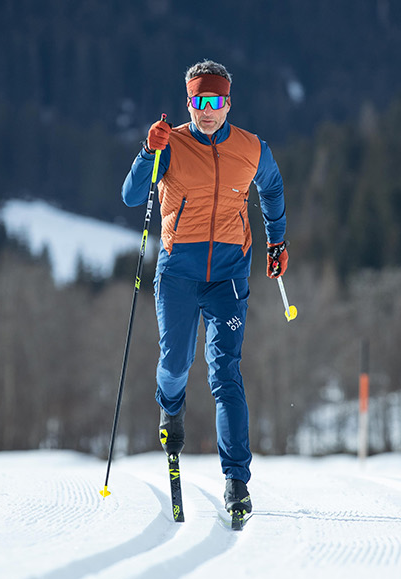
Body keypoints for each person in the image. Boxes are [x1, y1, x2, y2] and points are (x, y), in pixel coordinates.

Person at [120, 59, 288, 527]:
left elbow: (272, 188)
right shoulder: (168, 142)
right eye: (198, 101)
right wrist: (146, 151)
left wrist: (277, 240)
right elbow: (133, 196)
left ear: (228, 102)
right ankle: (169, 410)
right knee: (175, 363)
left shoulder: (252, 148)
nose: (206, 110)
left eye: (215, 101)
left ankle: (237, 482)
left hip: (229, 277)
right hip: (178, 273)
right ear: (188, 102)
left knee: (225, 374)